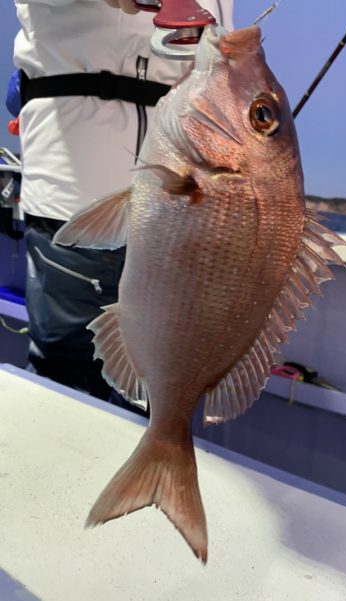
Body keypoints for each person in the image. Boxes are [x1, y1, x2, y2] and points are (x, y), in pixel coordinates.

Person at [13, 0, 234, 413]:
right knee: (66, 377)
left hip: (188, 209)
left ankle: (153, 463)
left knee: (156, 390)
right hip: (77, 189)